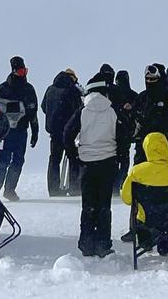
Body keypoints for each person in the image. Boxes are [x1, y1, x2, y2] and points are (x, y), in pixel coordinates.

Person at [61, 72, 119, 257]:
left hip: (87, 163)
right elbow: (123, 135)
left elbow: (67, 134)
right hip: (108, 162)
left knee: (88, 205)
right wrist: (118, 155)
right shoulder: (112, 111)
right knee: (104, 206)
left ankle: (86, 243)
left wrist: (75, 157)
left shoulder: (82, 111)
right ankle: (103, 244)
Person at [119, 131, 168, 252]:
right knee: (167, 210)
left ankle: (145, 240)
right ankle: (165, 241)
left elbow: (127, 199)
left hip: (147, 218)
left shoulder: (137, 171)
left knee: (141, 213)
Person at [0, 56, 39, 202]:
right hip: (5, 132)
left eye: (25, 70)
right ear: (14, 71)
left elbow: (33, 113)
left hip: (21, 131)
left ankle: (9, 190)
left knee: (18, 161)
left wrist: (35, 132)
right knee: (3, 162)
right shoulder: (4, 88)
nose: (24, 74)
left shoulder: (28, 89)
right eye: (21, 71)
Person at [42, 69, 82, 197]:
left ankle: (53, 189)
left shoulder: (50, 89)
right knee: (73, 158)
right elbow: (78, 110)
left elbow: (43, 107)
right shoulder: (73, 90)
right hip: (69, 131)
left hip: (54, 130)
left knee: (54, 160)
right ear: (72, 78)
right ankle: (74, 187)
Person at [133, 63, 168, 163]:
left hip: (164, 144)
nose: (149, 81)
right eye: (147, 79)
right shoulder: (142, 97)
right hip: (144, 146)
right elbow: (135, 117)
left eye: (153, 79)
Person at [109, 70, 140, 183]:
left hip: (113, 131)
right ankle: (122, 181)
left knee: (114, 158)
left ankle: (115, 182)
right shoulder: (134, 95)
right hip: (127, 131)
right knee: (124, 159)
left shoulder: (112, 94)